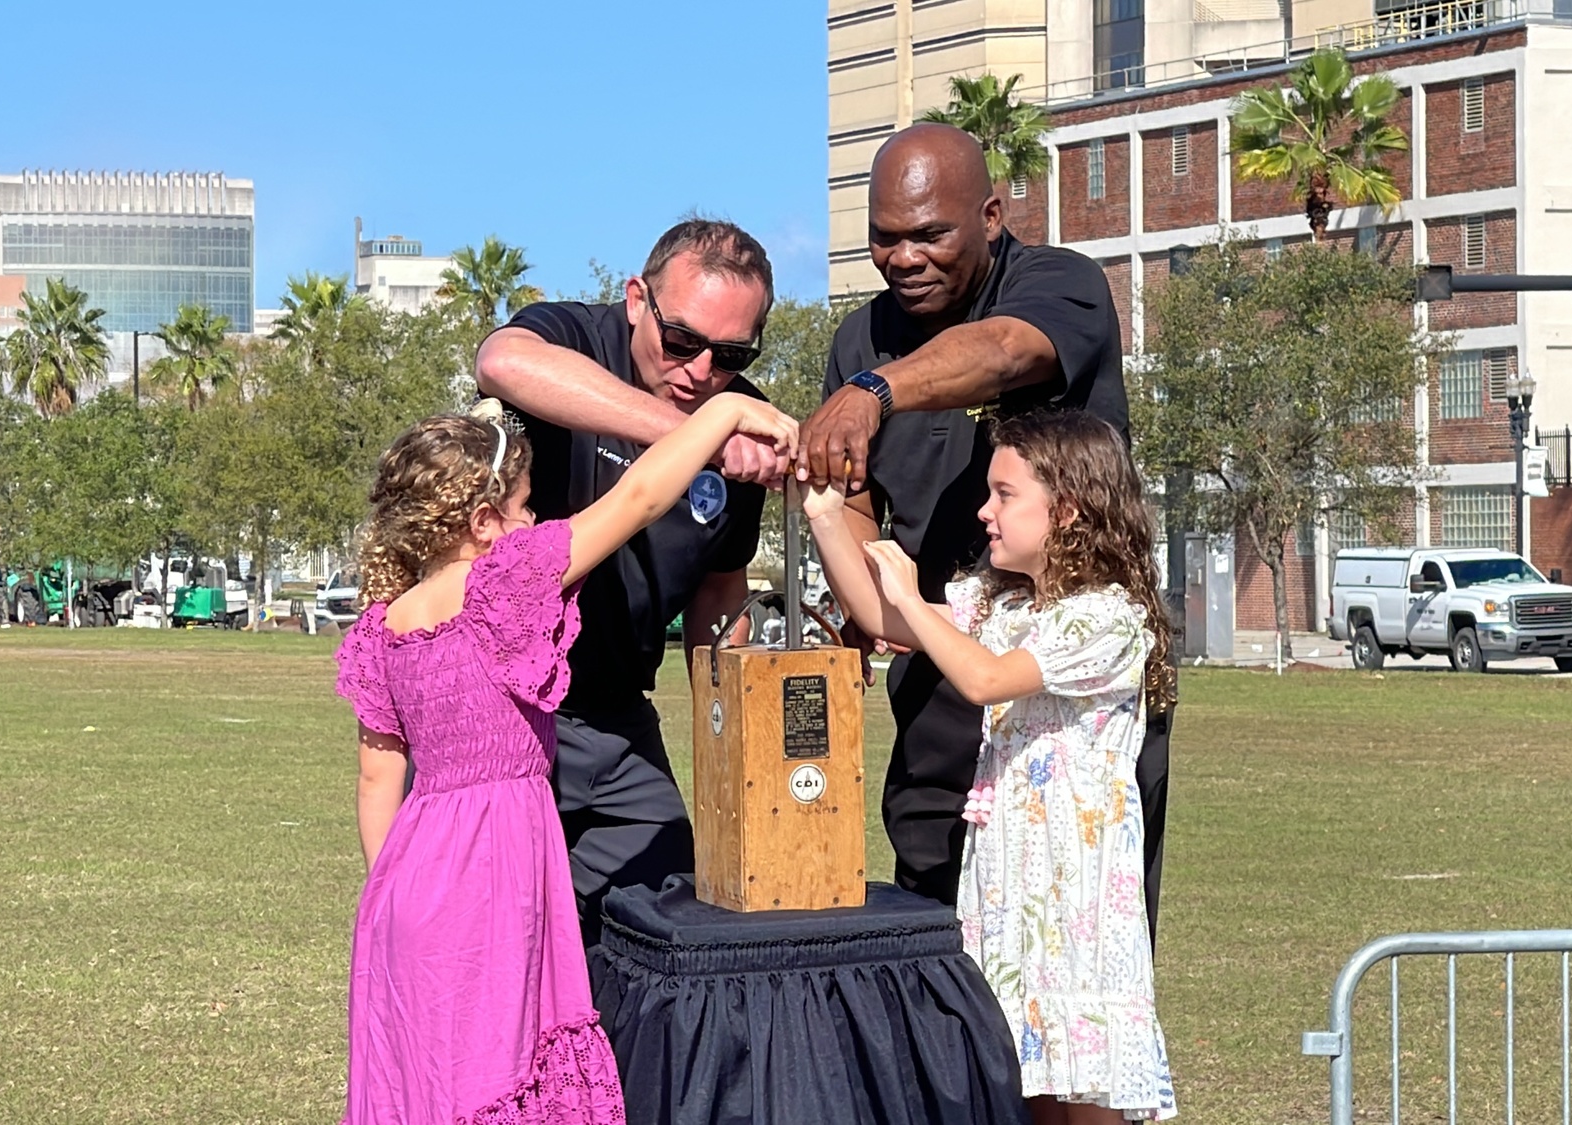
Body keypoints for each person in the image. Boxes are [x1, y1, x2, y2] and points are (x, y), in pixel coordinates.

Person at [334, 393, 798, 1124]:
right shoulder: (504, 581)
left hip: (406, 885)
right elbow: (641, 495)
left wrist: (394, 894)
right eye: (523, 505)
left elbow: (376, 775)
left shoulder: (380, 628)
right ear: (483, 523)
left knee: (431, 1080)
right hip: (495, 871)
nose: (533, 521)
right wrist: (725, 411)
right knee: (503, 1066)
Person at [799, 123, 1174, 935]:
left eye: (930, 234)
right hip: (938, 691)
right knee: (934, 954)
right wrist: (859, 577)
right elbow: (860, 522)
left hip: (1069, 709)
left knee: (1070, 954)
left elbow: (1002, 352)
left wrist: (874, 392)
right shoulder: (860, 336)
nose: (905, 258)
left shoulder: (1059, 286)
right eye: (885, 239)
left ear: (992, 217)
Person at [806, 411, 1177, 1123]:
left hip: (1079, 906)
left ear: (1067, 509)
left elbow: (984, 679)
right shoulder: (1000, 602)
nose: (985, 511)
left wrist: (913, 597)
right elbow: (884, 618)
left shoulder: (1107, 617)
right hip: (1011, 893)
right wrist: (826, 512)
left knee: (1086, 1093)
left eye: (1004, 494)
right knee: (1025, 1084)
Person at [475, 219, 784, 944]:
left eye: (731, 353)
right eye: (682, 339)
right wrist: (689, 437)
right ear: (637, 298)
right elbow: (503, 362)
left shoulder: (739, 417)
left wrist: (734, 729)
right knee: (504, 938)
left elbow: (719, 593)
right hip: (504, 701)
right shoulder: (576, 337)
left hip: (617, 717)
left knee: (669, 919)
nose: (703, 370)